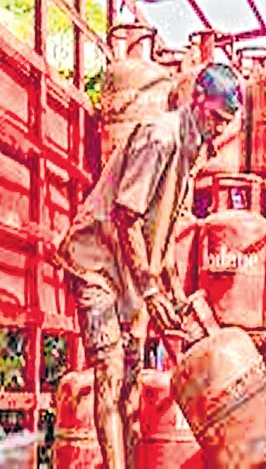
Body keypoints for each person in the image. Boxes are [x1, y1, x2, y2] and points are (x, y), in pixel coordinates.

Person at [52, 62, 243, 468]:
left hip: (131, 272)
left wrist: (176, 296)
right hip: (97, 263)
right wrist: (152, 290)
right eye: (216, 118)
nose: (220, 129)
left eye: (227, 123)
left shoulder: (193, 153)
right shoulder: (161, 136)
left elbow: (163, 236)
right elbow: (126, 217)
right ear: (197, 101)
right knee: (110, 372)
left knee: (131, 382)